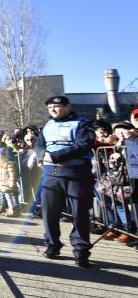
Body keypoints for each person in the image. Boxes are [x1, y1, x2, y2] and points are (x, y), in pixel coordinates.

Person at [34, 95, 95, 267]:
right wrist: (44, 155)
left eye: (56, 106)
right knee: (49, 213)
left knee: (79, 213)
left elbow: (83, 145)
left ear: (68, 107)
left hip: (76, 174)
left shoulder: (82, 123)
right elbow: (39, 145)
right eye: (49, 108)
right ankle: (52, 245)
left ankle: (81, 251)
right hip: (50, 174)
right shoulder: (47, 124)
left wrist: (56, 156)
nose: (52, 110)